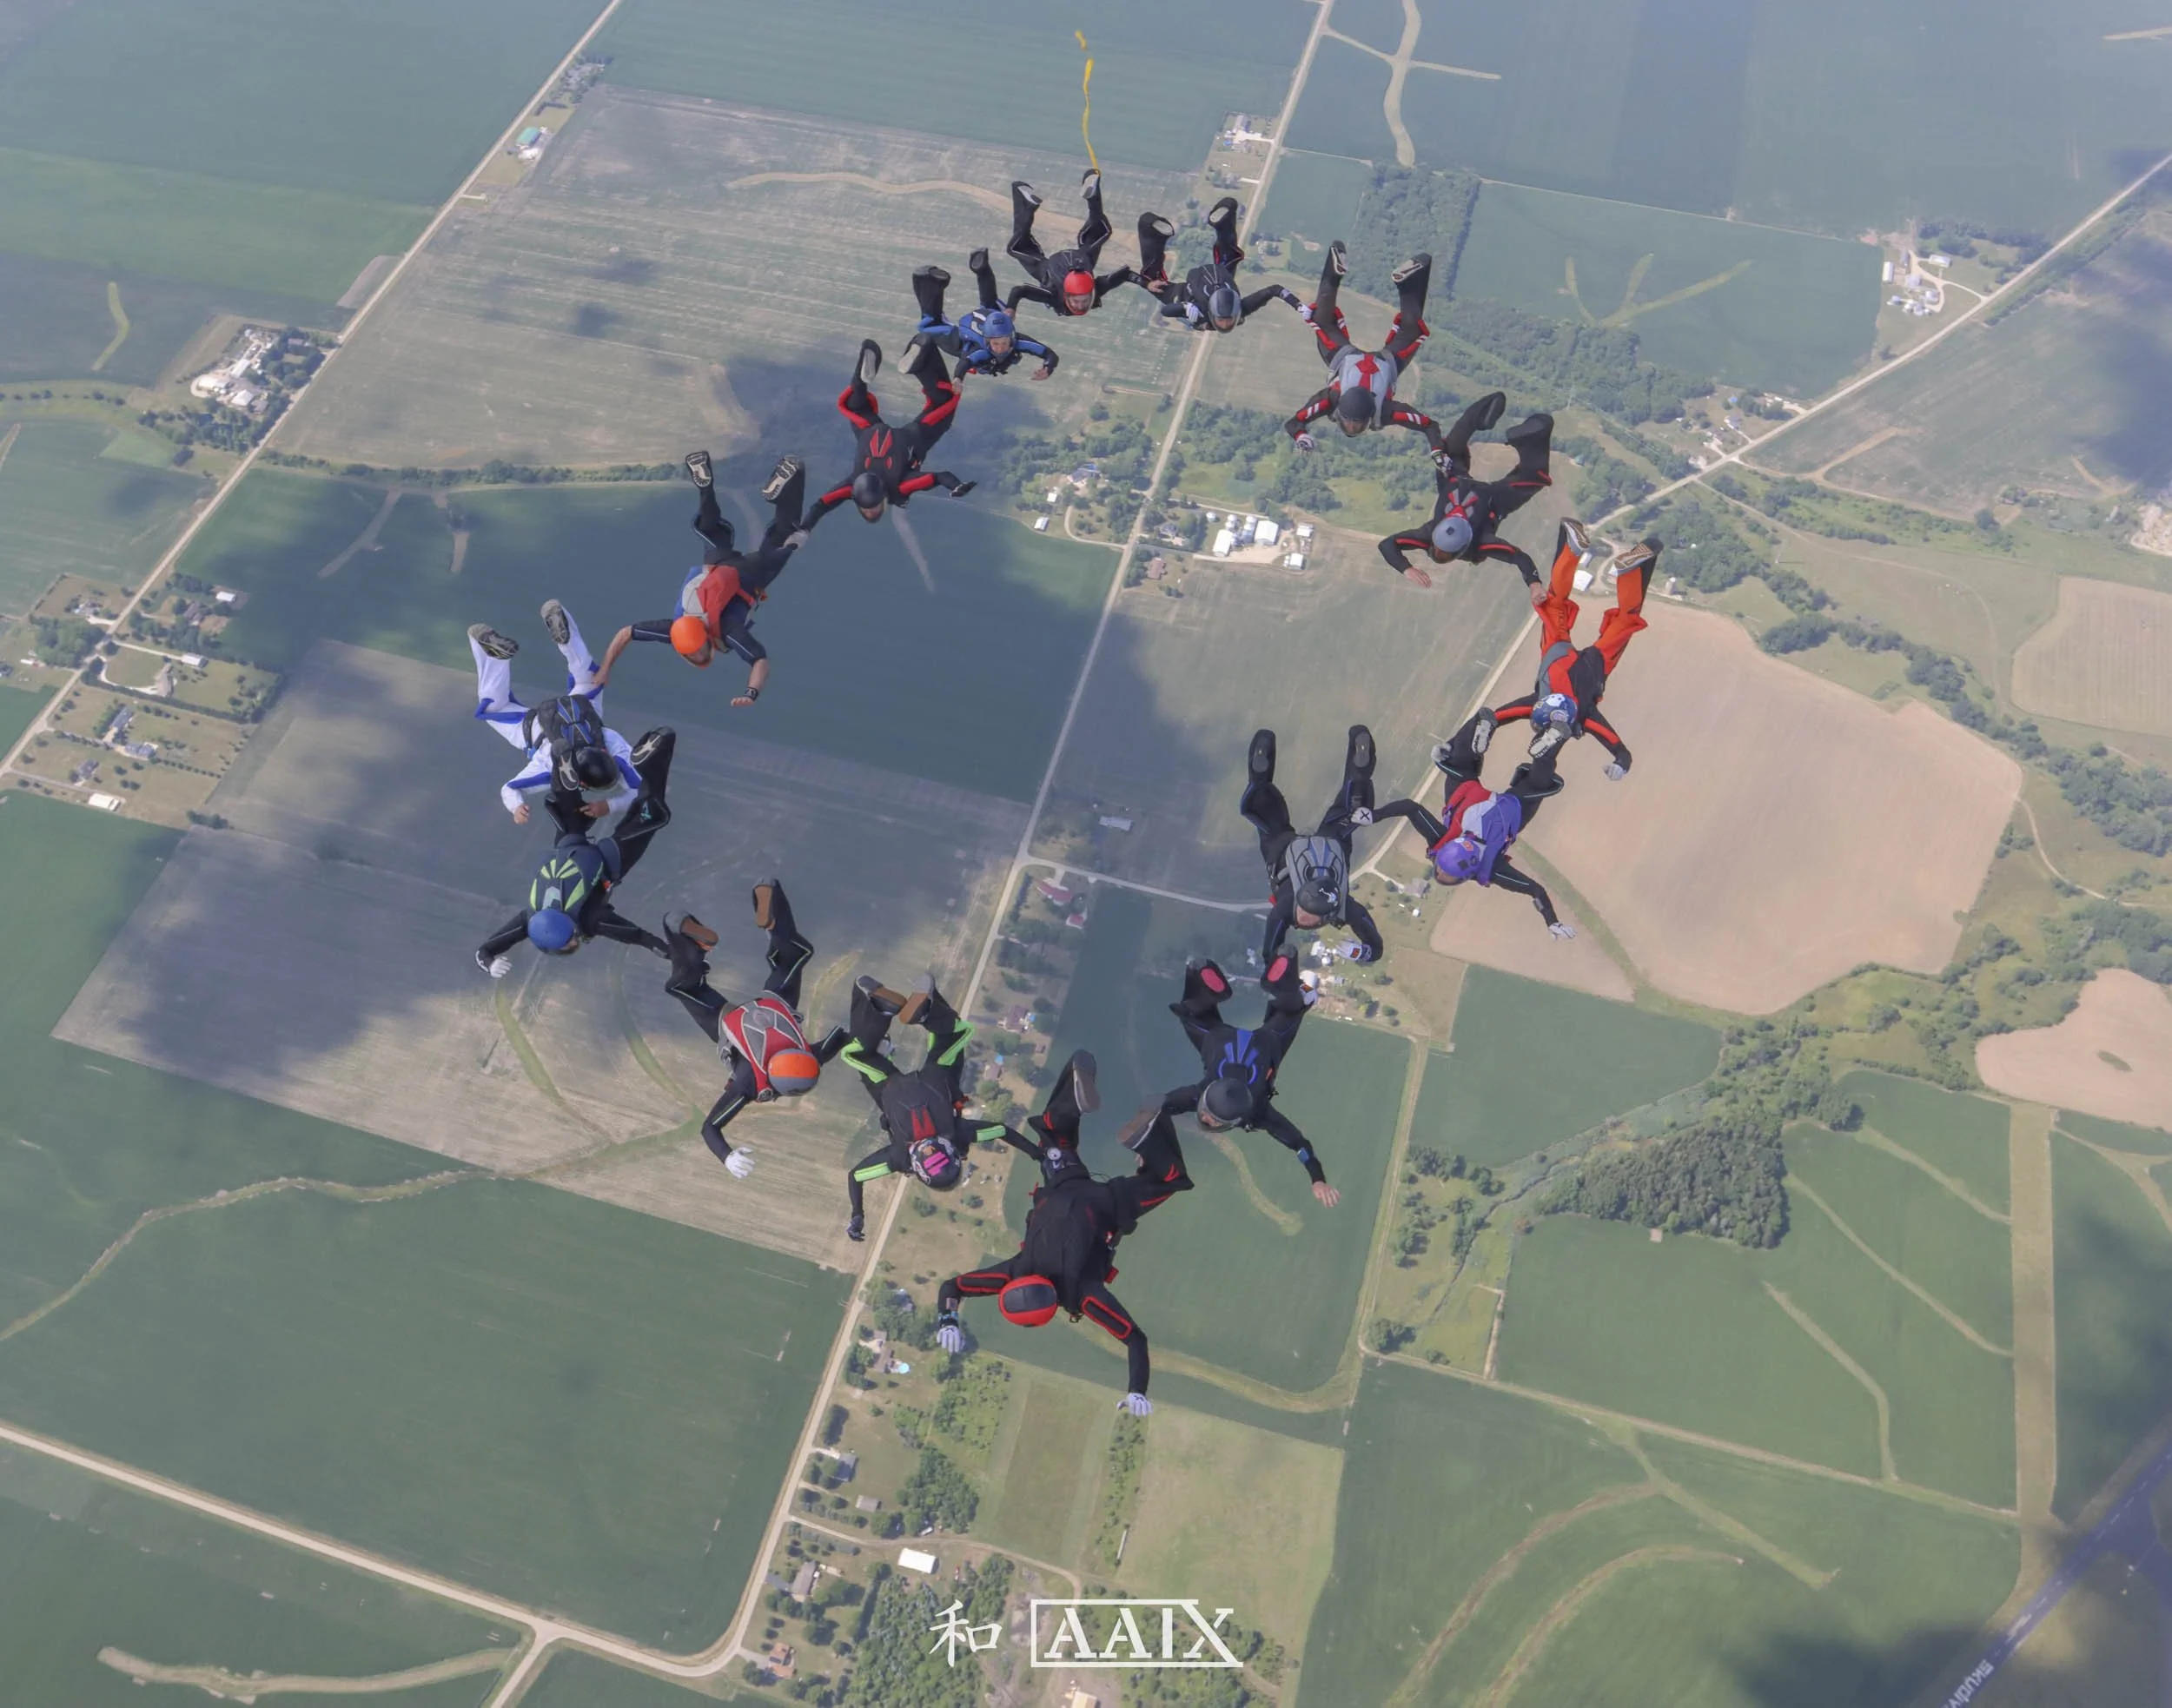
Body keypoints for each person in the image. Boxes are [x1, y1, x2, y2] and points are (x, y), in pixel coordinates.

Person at [936, 1097, 1192, 1417]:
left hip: (1107, 1204)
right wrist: (947, 1318)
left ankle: (1148, 1138)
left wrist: (1137, 1390)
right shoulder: (1014, 1272)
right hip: (1061, 1187)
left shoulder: (1082, 1293)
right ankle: (1069, 1097)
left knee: (1172, 1178)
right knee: (1055, 1138)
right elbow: (952, 1287)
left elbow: (1134, 1339)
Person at [660, 877, 849, 1179]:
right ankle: (678, 931)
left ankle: (772, 907)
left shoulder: (810, 1056)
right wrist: (726, 1156)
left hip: (773, 1004)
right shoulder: (748, 1083)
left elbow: (840, 1038)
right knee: (687, 988)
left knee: (792, 958)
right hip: (728, 1022)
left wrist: (877, 1043)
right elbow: (709, 1128)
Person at [595, 451, 807, 707]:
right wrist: (605, 668)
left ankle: (793, 476)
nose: (699, 654)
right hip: (716, 566)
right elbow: (626, 632)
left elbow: (760, 660)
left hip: (751, 574)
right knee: (711, 530)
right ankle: (705, 486)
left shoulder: (729, 631)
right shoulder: (674, 629)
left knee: (787, 533)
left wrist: (751, 693)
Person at [474, 728, 676, 973]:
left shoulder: (591, 921)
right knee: (569, 810)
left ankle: (652, 762)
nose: (575, 941)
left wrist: (673, 955)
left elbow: (637, 936)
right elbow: (484, 951)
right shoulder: (530, 919)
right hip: (566, 849)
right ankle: (563, 768)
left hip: (607, 863)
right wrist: (489, 962)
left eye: (571, 941)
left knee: (653, 814)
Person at [1369, 707, 1573, 937]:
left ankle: (1549, 745)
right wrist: (1373, 816)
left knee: (1539, 783)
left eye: (1440, 870)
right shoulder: (1442, 844)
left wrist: (1552, 922)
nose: (1439, 871)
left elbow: (1535, 890)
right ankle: (1478, 732)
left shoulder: (1490, 869)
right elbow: (1409, 807)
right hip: (1477, 800)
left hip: (1507, 809)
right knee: (1459, 761)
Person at [1163, 953, 1339, 1207]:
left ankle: (1294, 988)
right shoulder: (1201, 1096)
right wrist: (1316, 1178)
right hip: (1221, 1040)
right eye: (1211, 1119)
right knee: (1191, 1012)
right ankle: (1198, 974)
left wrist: (1318, 1178)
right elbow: (1158, 1106)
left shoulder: (1257, 1112)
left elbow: (1300, 1145)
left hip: (1263, 1044)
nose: (1206, 1119)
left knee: (1294, 1007)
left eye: (1205, 1117)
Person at [835, 974, 1000, 1241]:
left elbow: (1001, 1131)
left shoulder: (958, 1136)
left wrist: (1040, 1153)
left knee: (953, 1032)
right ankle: (878, 1009)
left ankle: (927, 1011)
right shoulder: (899, 1159)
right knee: (860, 1053)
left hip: (936, 1082)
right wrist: (857, 1215)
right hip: (889, 1089)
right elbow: (856, 1176)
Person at [1491, 533, 1662, 772]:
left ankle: (1630, 571)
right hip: (1557, 658)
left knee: (1626, 620)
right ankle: (1572, 548)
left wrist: (1621, 765)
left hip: (1594, 668)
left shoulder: (1582, 719)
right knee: (1555, 604)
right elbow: (1493, 717)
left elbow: (1618, 748)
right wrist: (1464, 741)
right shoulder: (1537, 706)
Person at [467, 600, 639, 824]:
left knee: (588, 677)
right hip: (534, 729)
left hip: (581, 708)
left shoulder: (613, 742)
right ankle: (496, 658)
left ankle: (567, 642)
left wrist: (611, 804)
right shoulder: (551, 768)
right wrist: (516, 808)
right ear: (582, 783)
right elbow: (509, 789)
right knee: (493, 707)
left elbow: (640, 790)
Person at [1375, 392, 1556, 593]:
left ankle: (1533, 436)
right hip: (1454, 482)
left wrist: (1535, 584)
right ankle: (1486, 408)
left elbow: (1518, 557)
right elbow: (1387, 545)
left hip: (1492, 498)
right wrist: (1406, 569)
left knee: (1535, 476)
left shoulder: (1480, 545)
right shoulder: (1427, 534)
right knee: (1449, 450)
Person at [1242, 724, 1384, 966]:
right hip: (1284, 850)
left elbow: (1376, 947)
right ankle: (1259, 780)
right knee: (1266, 818)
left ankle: (1359, 777)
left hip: (1331, 843)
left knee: (1349, 809)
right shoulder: (1285, 910)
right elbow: (1269, 954)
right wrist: (1277, 966)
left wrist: (1362, 953)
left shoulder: (1342, 906)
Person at [1284, 242, 1444, 450]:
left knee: (1324, 321)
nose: (1351, 427)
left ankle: (1337, 272)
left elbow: (1295, 422)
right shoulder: (1382, 411)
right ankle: (1404, 282)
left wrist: (1301, 436)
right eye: (1354, 424)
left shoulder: (1333, 400)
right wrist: (1438, 451)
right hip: (1381, 361)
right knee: (1410, 330)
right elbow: (1428, 425)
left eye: (1350, 424)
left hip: (1351, 358)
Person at [803, 338, 975, 529]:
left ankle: (922, 356)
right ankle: (861, 380)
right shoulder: (852, 487)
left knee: (944, 404)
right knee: (857, 407)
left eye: (869, 510)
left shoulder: (899, 488)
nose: (871, 510)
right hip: (870, 433)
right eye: (872, 510)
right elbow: (821, 505)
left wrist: (957, 487)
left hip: (911, 438)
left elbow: (939, 477)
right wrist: (804, 528)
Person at [1136, 195, 1303, 333]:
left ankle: (1149, 230)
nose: (1224, 325)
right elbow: (1274, 290)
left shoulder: (1212, 312)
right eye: (1227, 321)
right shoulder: (1240, 308)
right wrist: (1300, 307)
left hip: (1189, 292)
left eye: (1224, 321)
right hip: (1209, 281)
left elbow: (1166, 311)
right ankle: (1225, 220)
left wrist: (1185, 308)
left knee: (1152, 281)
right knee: (1228, 256)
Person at [1003, 170, 1138, 318]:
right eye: (1081, 301)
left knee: (1097, 233)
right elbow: (1126, 275)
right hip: (1062, 266)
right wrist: (1011, 309)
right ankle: (1027, 205)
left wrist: (1011, 308)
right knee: (1020, 245)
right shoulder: (1055, 296)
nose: (1080, 306)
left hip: (1079, 261)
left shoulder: (1088, 290)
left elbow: (1124, 275)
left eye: (1081, 301)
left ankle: (1092, 196)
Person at [913, 255, 1057, 380]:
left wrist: (1048, 368)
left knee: (992, 305)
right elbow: (964, 363)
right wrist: (958, 379)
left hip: (990, 321)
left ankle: (982, 267)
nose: (1000, 348)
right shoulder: (980, 350)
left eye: (1004, 343)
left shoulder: (1015, 340)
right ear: (988, 342)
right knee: (930, 327)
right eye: (996, 344)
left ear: (1011, 338)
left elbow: (1049, 355)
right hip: (960, 342)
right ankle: (928, 281)